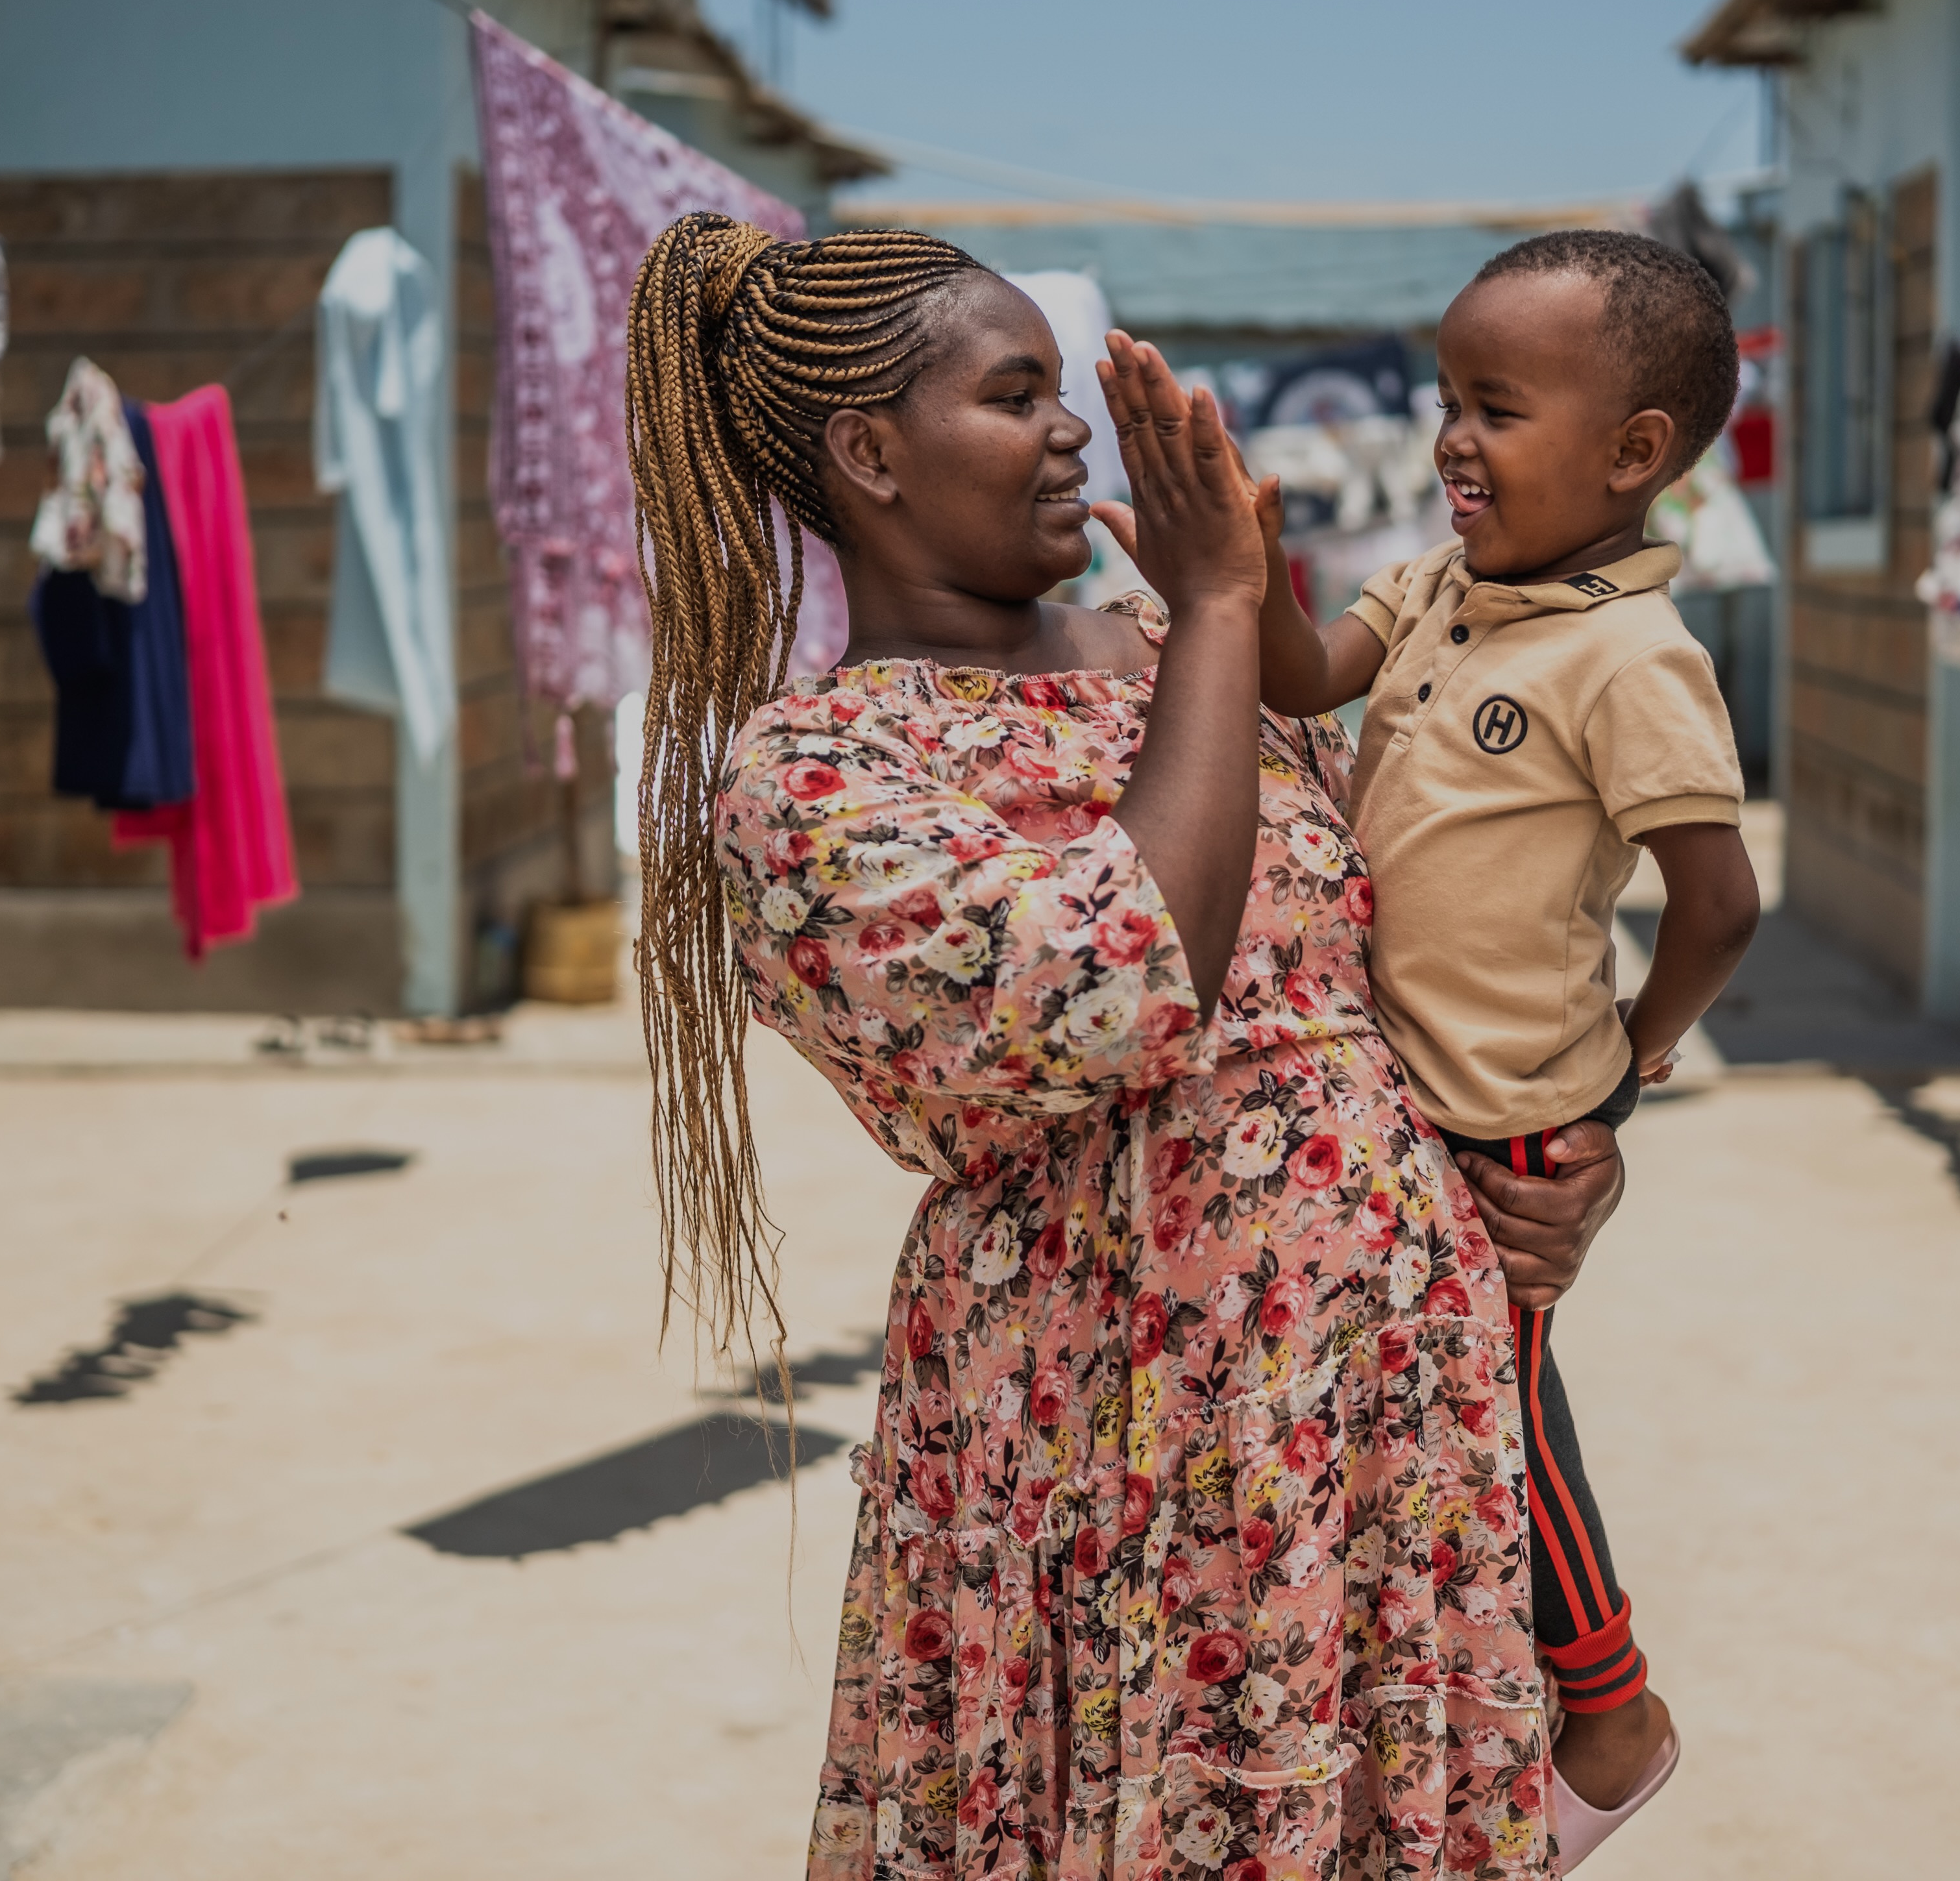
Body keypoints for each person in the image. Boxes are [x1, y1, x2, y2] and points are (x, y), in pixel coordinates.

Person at [624, 212, 1606, 1879]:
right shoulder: (814, 781)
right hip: (1105, 1461)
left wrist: (1569, 1149)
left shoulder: (1187, 661)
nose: (1073, 428)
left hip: (1369, 1434)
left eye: (1065, 389)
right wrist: (1230, 598)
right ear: (869, 452)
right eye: (1017, 396)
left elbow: (1428, 962)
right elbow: (1123, 970)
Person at [1249, 230, 1765, 1867]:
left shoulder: (1633, 658)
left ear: (1633, 453)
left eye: (1496, 405)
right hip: (1393, 1095)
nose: (1451, 438)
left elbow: (1720, 896)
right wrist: (1242, 568)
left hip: (1506, 1109)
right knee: (1434, 1419)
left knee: (1505, 1411)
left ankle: (1607, 1710)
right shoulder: (1431, 590)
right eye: (1444, 399)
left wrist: (1634, 1052)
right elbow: (1299, 674)